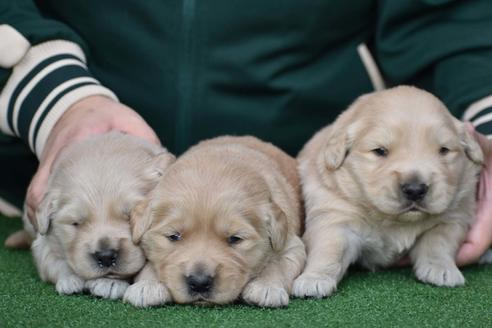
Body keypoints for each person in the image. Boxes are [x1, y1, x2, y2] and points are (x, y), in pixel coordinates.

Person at [0, 0, 491, 265]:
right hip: (48, 167)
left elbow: (449, 16)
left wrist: (484, 124)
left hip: (308, 197)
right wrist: (56, 98)